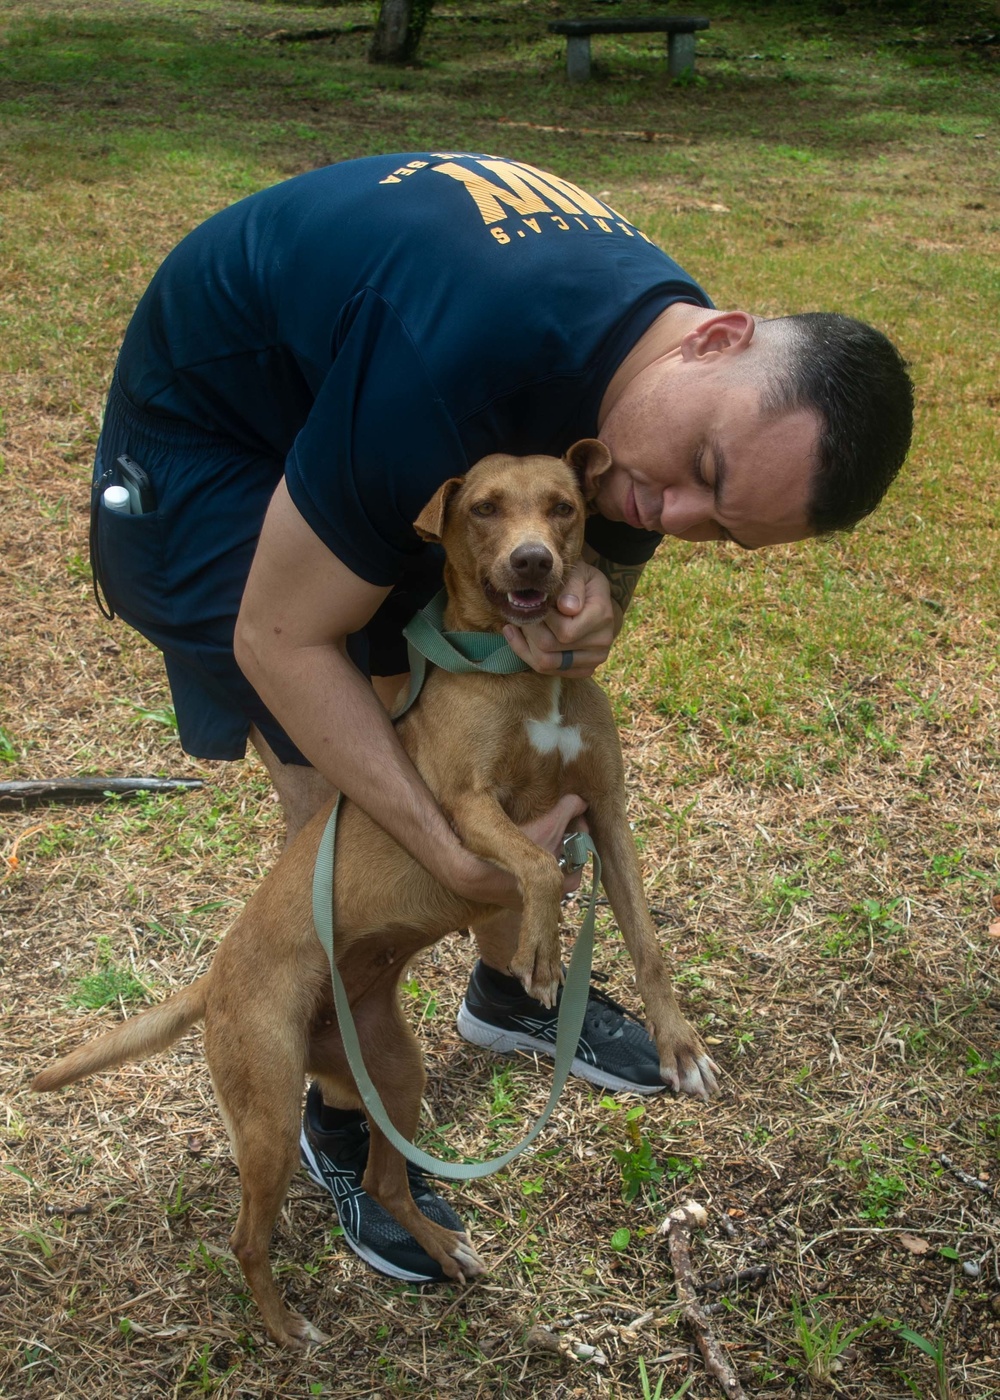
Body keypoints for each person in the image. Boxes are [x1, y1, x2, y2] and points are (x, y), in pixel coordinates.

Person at [90, 151, 913, 1283]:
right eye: (702, 466)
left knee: (502, 744)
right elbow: (278, 637)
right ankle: (345, 1116)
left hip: (355, 407)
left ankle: (510, 990)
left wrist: (593, 610)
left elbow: (609, 536)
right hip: (211, 449)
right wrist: (445, 852)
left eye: (720, 526)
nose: (667, 512)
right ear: (719, 336)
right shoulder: (450, 363)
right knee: (358, 815)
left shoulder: (649, 355)